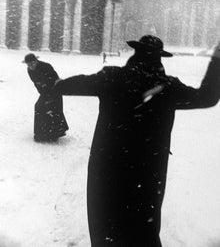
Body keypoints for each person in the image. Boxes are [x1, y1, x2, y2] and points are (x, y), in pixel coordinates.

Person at [55, 35, 220, 247]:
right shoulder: (168, 87)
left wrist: (58, 83)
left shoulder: (112, 77)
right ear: (159, 58)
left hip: (108, 165)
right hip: (148, 169)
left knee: (105, 222)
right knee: (144, 226)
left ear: (136, 52)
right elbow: (207, 97)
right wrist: (216, 60)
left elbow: (74, 85)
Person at [23, 53, 69, 143]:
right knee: (39, 107)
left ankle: (54, 134)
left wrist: (50, 94)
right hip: (44, 92)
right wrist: (43, 93)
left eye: (32, 63)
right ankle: (40, 134)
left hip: (55, 90)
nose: (31, 66)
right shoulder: (29, 70)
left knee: (53, 109)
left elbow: (55, 79)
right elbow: (36, 83)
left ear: (36, 61)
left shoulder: (46, 66)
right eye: (28, 64)